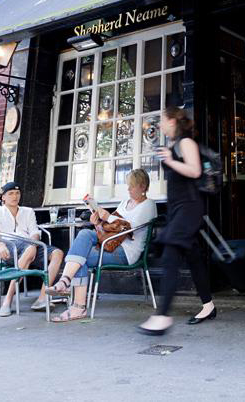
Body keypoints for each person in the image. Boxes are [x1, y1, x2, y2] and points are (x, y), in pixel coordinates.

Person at [138, 107, 216, 335]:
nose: (160, 125)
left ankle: (161, 316)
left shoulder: (186, 143)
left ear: (173, 121)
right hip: (177, 208)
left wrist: (170, 160)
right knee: (193, 258)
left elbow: (194, 171)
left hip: (189, 207)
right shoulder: (173, 146)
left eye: (163, 120)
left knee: (171, 254)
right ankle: (208, 305)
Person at [45, 169, 157, 322]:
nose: (128, 189)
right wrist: (98, 220)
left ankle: (77, 304)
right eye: (128, 186)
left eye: (132, 186)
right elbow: (111, 226)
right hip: (108, 243)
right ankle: (66, 283)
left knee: (80, 258)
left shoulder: (149, 205)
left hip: (126, 252)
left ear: (143, 186)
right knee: (84, 236)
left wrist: (108, 216)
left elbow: (128, 229)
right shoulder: (125, 202)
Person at [0, 181, 64, 316]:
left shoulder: (28, 211)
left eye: (17, 193)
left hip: (29, 244)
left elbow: (35, 232)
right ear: (3, 197)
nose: (15, 196)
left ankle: (42, 298)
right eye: (11, 193)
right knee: (29, 249)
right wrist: (0, 245)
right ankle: (7, 300)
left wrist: (33, 244)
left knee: (57, 253)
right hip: (9, 247)